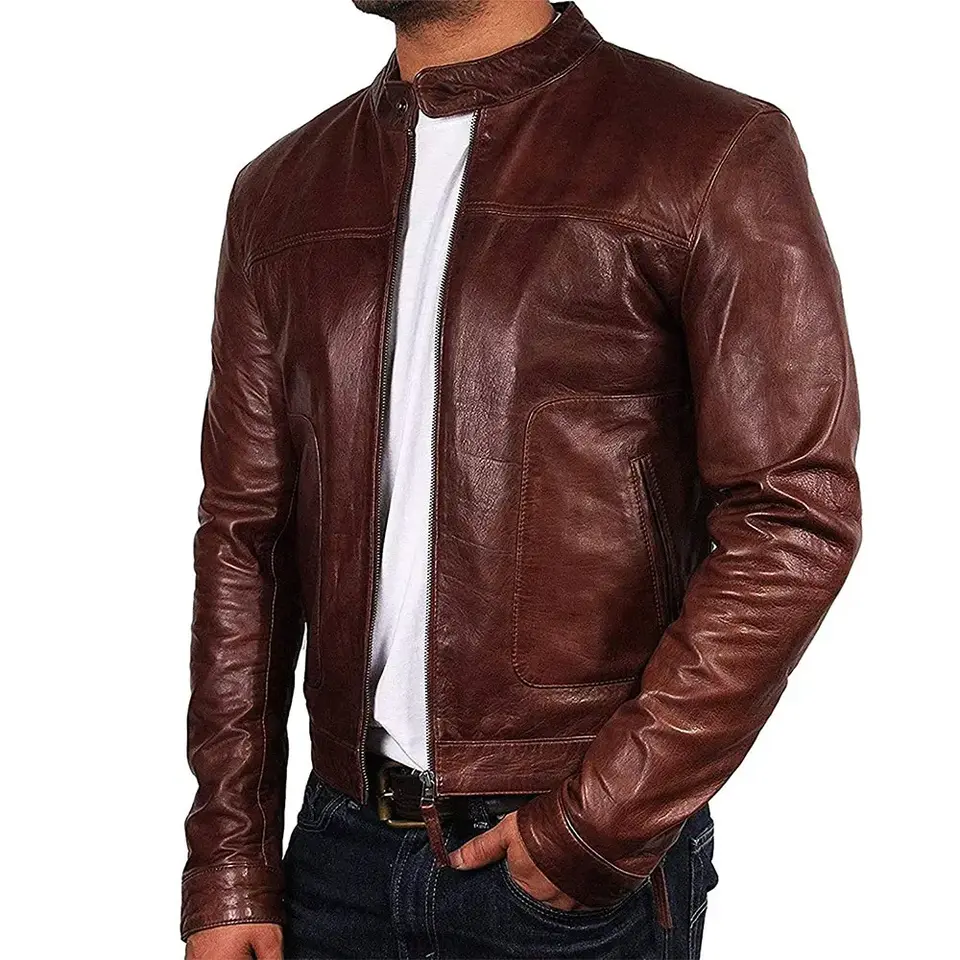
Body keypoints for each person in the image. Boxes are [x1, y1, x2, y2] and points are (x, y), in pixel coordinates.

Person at [181, 1, 862, 957]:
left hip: (568, 866)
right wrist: (229, 865)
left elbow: (793, 517)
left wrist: (600, 820)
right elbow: (244, 540)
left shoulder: (710, 150)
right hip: (334, 860)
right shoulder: (282, 191)